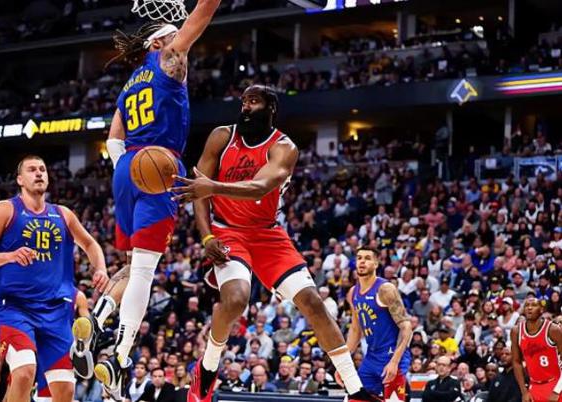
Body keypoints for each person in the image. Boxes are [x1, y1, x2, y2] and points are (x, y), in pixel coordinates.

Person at [172, 85, 379, 402]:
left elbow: (259, 187)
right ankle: (208, 368)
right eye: (243, 101)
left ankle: (355, 391)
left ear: (271, 108)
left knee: (313, 303)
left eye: (253, 102)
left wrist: (212, 187)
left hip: (268, 234)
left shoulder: (284, 147)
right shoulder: (222, 137)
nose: (245, 107)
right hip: (227, 230)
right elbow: (199, 192)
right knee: (236, 299)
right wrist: (207, 236)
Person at [94, 0, 222, 393]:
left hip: (126, 169)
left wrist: (126, 168)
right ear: (159, 42)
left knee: (133, 265)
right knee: (145, 270)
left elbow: (113, 140)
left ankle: (99, 317)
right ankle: (120, 355)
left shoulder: (130, 83)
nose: (181, 39)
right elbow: (204, 11)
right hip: (159, 165)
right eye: (174, 35)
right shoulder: (169, 56)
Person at [0, 155, 110, 402]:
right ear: (19, 179)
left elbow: (90, 244)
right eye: (32, 169)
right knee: (25, 372)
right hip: (16, 308)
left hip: (56, 311)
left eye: (43, 169)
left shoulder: (63, 214)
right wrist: (10, 255)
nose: (39, 173)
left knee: (65, 392)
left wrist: (100, 268)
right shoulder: (4, 209)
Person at [346, 247, 413, 401]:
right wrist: (344, 364)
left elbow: (406, 327)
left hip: (391, 355)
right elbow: (355, 330)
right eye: (359, 258)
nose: (362, 261)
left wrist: (394, 362)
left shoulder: (385, 289)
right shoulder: (353, 292)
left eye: (367, 258)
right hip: (371, 357)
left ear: (376, 264)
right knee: (355, 398)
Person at [511, 296, 562, 402]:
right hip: (534, 385)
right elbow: (516, 362)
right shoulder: (516, 331)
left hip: (556, 382)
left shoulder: (553, 330)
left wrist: (557, 391)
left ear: (541, 310)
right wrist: (524, 391)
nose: (529, 308)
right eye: (527, 305)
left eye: (534, 305)